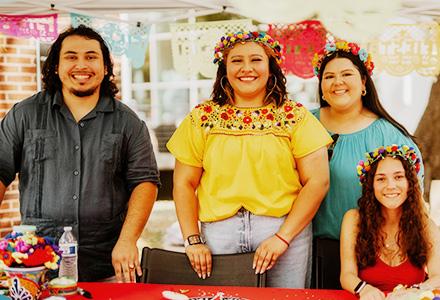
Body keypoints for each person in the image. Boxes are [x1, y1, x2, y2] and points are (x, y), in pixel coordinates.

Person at [166, 31, 332, 288]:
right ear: (224, 68)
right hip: (219, 232)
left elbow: (318, 182)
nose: (246, 68)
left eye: (256, 60)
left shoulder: (294, 116)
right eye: (236, 61)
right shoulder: (201, 117)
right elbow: (184, 183)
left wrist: (283, 237)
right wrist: (193, 239)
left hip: (283, 230)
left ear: (270, 67)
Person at [0, 25, 160, 282]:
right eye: (71, 57)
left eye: (91, 56)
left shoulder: (129, 123)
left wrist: (128, 240)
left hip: (106, 264)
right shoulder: (25, 115)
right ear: (55, 65)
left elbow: (145, 182)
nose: (82, 65)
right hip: (35, 265)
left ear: (106, 67)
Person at [310, 40, 424, 288]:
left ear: (363, 83)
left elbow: (413, 192)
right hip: (311, 249)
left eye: (347, 74)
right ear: (321, 86)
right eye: (329, 76)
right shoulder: (304, 124)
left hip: (371, 252)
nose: (337, 82)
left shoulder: (388, 135)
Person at [340, 145, 440, 299]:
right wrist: (364, 289)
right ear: (371, 185)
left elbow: (438, 276)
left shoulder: (425, 225)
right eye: (381, 179)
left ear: (409, 183)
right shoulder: (353, 219)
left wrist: (414, 291)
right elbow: (347, 275)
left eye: (398, 177)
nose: (390, 185)